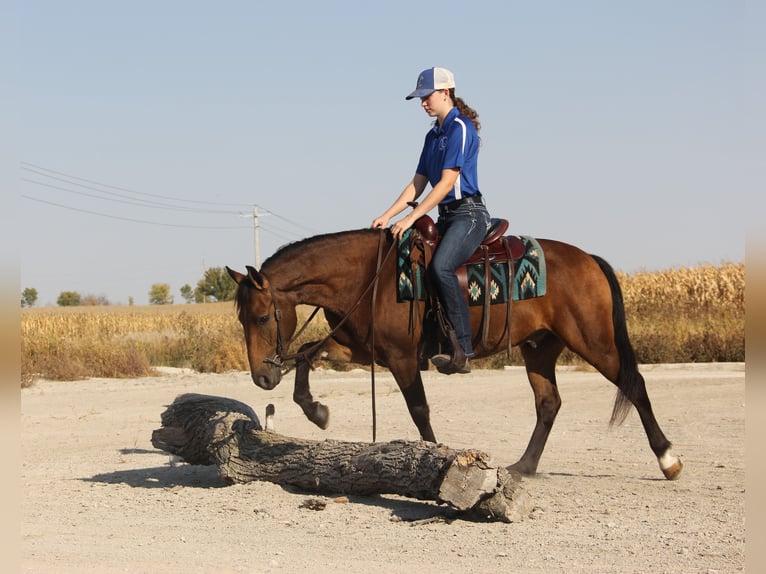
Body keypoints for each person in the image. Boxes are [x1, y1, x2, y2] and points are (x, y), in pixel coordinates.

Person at [372, 67, 491, 375]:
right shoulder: (433, 135)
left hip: (469, 214)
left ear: (445, 93)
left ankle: (463, 350)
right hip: (446, 216)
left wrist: (412, 217)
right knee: (415, 265)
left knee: (441, 267)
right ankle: (429, 340)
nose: (423, 103)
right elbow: (418, 183)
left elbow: (447, 183)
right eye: (420, 98)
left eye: (427, 96)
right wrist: (387, 215)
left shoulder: (460, 128)